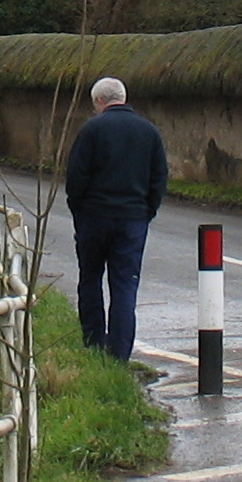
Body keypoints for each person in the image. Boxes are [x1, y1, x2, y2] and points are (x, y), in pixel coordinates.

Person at [62, 76, 168, 364]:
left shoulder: (91, 130)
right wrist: (146, 211)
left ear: (99, 101)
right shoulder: (149, 132)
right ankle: (119, 353)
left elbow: (76, 178)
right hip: (132, 219)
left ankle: (94, 342)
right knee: (124, 286)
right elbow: (158, 178)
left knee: (90, 279)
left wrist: (79, 212)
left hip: (94, 217)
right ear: (123, 97)